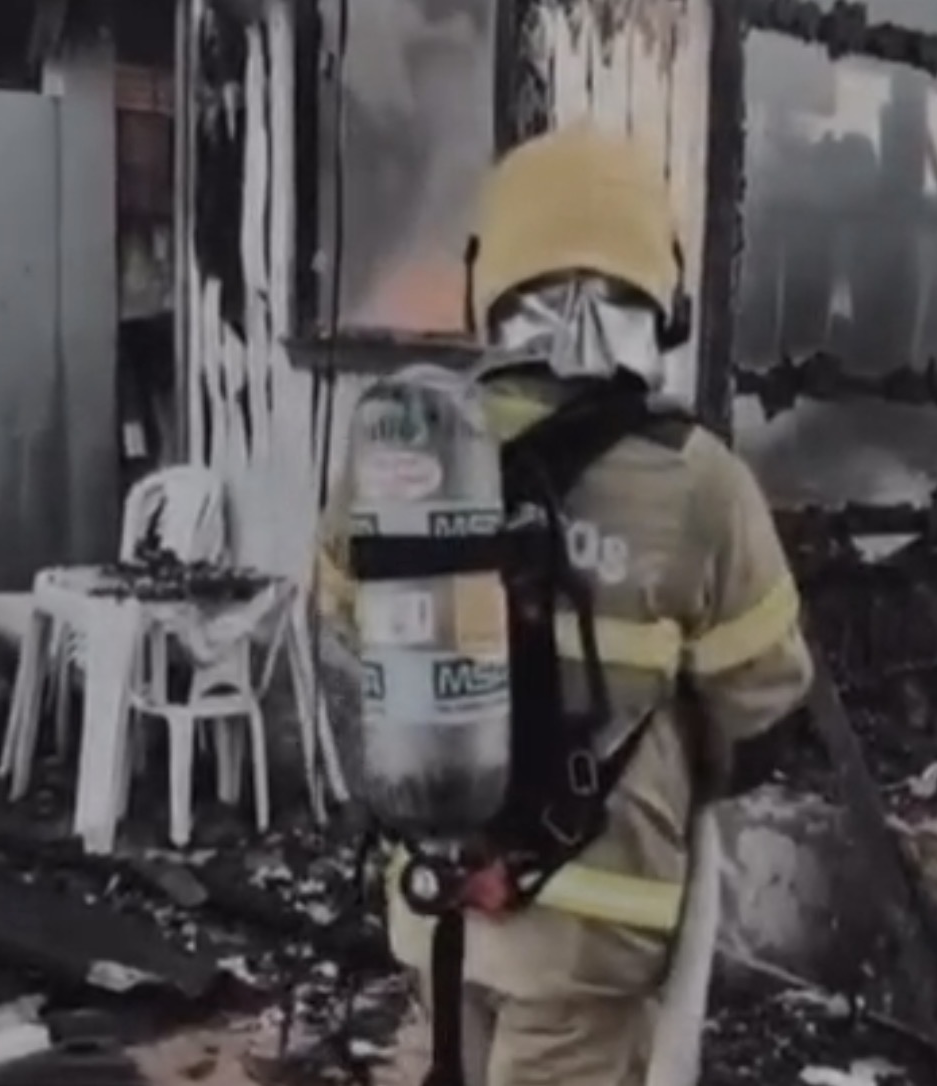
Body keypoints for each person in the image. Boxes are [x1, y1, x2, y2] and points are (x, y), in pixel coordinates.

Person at [317, 122, 813, 1086]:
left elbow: (340, 643)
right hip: (595, 928)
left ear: (489, 279)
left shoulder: (402, 454)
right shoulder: (699, 481)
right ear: (662, 294)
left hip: (437, 897)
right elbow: (762, 720)